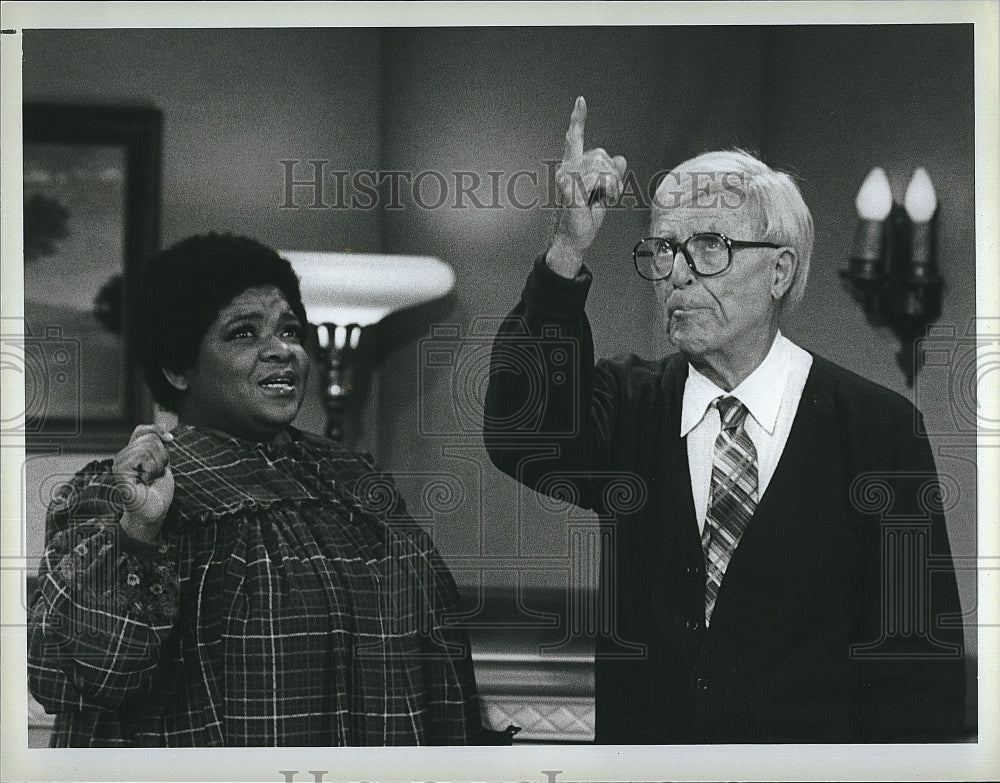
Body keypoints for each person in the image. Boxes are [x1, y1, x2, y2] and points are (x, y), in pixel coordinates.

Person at [483, 97, 967, 743]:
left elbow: (917, 663)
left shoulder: (876, 429)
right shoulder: (630, 403)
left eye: (709, 245)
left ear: (780, 269)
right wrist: (568, 248)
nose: (677, 274)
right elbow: (523, 434)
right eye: (663, 249)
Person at [27, 233, 486, 747]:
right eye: (244, 333)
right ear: (178, 367)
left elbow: (443, 674)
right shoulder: (127, 492)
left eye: (290, 330)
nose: (282, 351)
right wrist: (138, 532)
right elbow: (76, 678)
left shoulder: (358, 485)